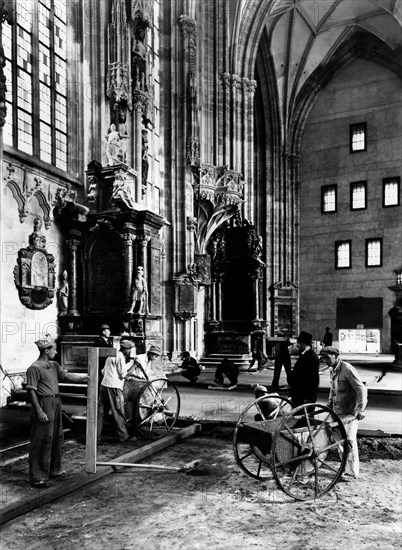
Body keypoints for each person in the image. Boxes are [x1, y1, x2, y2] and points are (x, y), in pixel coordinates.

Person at [26, 337, 89, 488]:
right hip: (44, 402)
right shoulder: (34, 368)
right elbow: (31, 392)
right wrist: (40, 411)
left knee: (57, 436)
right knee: (42, 438)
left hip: (56, 401)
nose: (56, 351)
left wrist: (85, 378)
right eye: (53, 349)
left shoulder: (54, 365)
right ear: (46, 350)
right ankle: (38, 476)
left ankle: (54, 469)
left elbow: (67, 376)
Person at [319, 346, 368, 481]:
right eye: (323, 358)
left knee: (349, 443)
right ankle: (344, 470)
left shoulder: (347, 369)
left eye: (327, 357)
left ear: (335, 356)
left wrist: (360, 409)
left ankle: (351, 473)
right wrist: (329, 404)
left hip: (349, 414)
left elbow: (361, 389)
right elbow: (333, 389)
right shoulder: (333, 370)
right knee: (341, 443)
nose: (325, 360)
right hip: (337, 412)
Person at [97, 340, 136, 444]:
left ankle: (95, 437)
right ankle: (123, 436)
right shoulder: (121, 357)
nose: (129, 352)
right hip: (114, 387)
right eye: (129, 350)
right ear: (125, 349)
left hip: (104, 385)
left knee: (101, 413)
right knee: (118, 411)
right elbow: (123, 375)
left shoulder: (110, 356)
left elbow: (103, 371)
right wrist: (134, 366)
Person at [288, 331, 320, 408]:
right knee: (297, 418)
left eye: (298, 343)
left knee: (305, 418)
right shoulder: (304, 354)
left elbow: (313, 380)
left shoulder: (312, 357)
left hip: (304, 398)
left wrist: (308, 398)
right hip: (298, 396)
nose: (296, 345)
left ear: (303, 344)